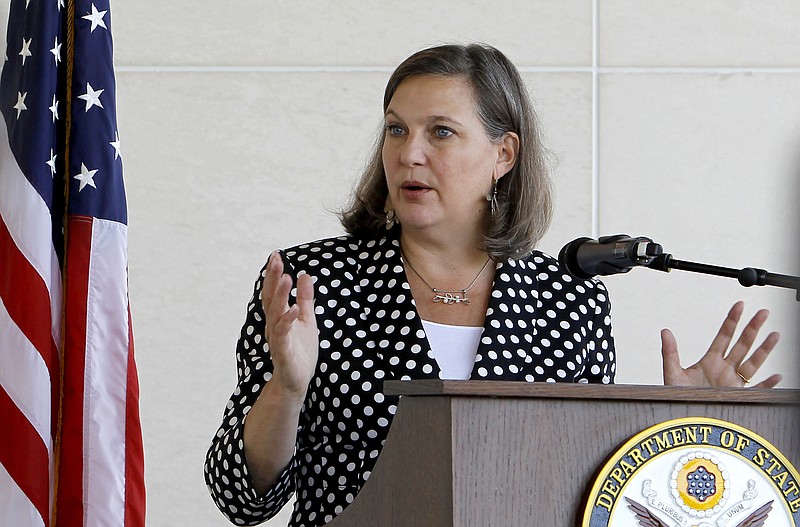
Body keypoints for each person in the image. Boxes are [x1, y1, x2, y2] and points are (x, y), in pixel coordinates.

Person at [204, 43, 781, 527]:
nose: (410, 154)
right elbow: (242, 498)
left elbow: (586, 492)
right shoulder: (312, 283)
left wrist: (678, 426)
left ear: (502, 155)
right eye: (396, 131)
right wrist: (287, 386)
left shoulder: (568, 299)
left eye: (442, 132)